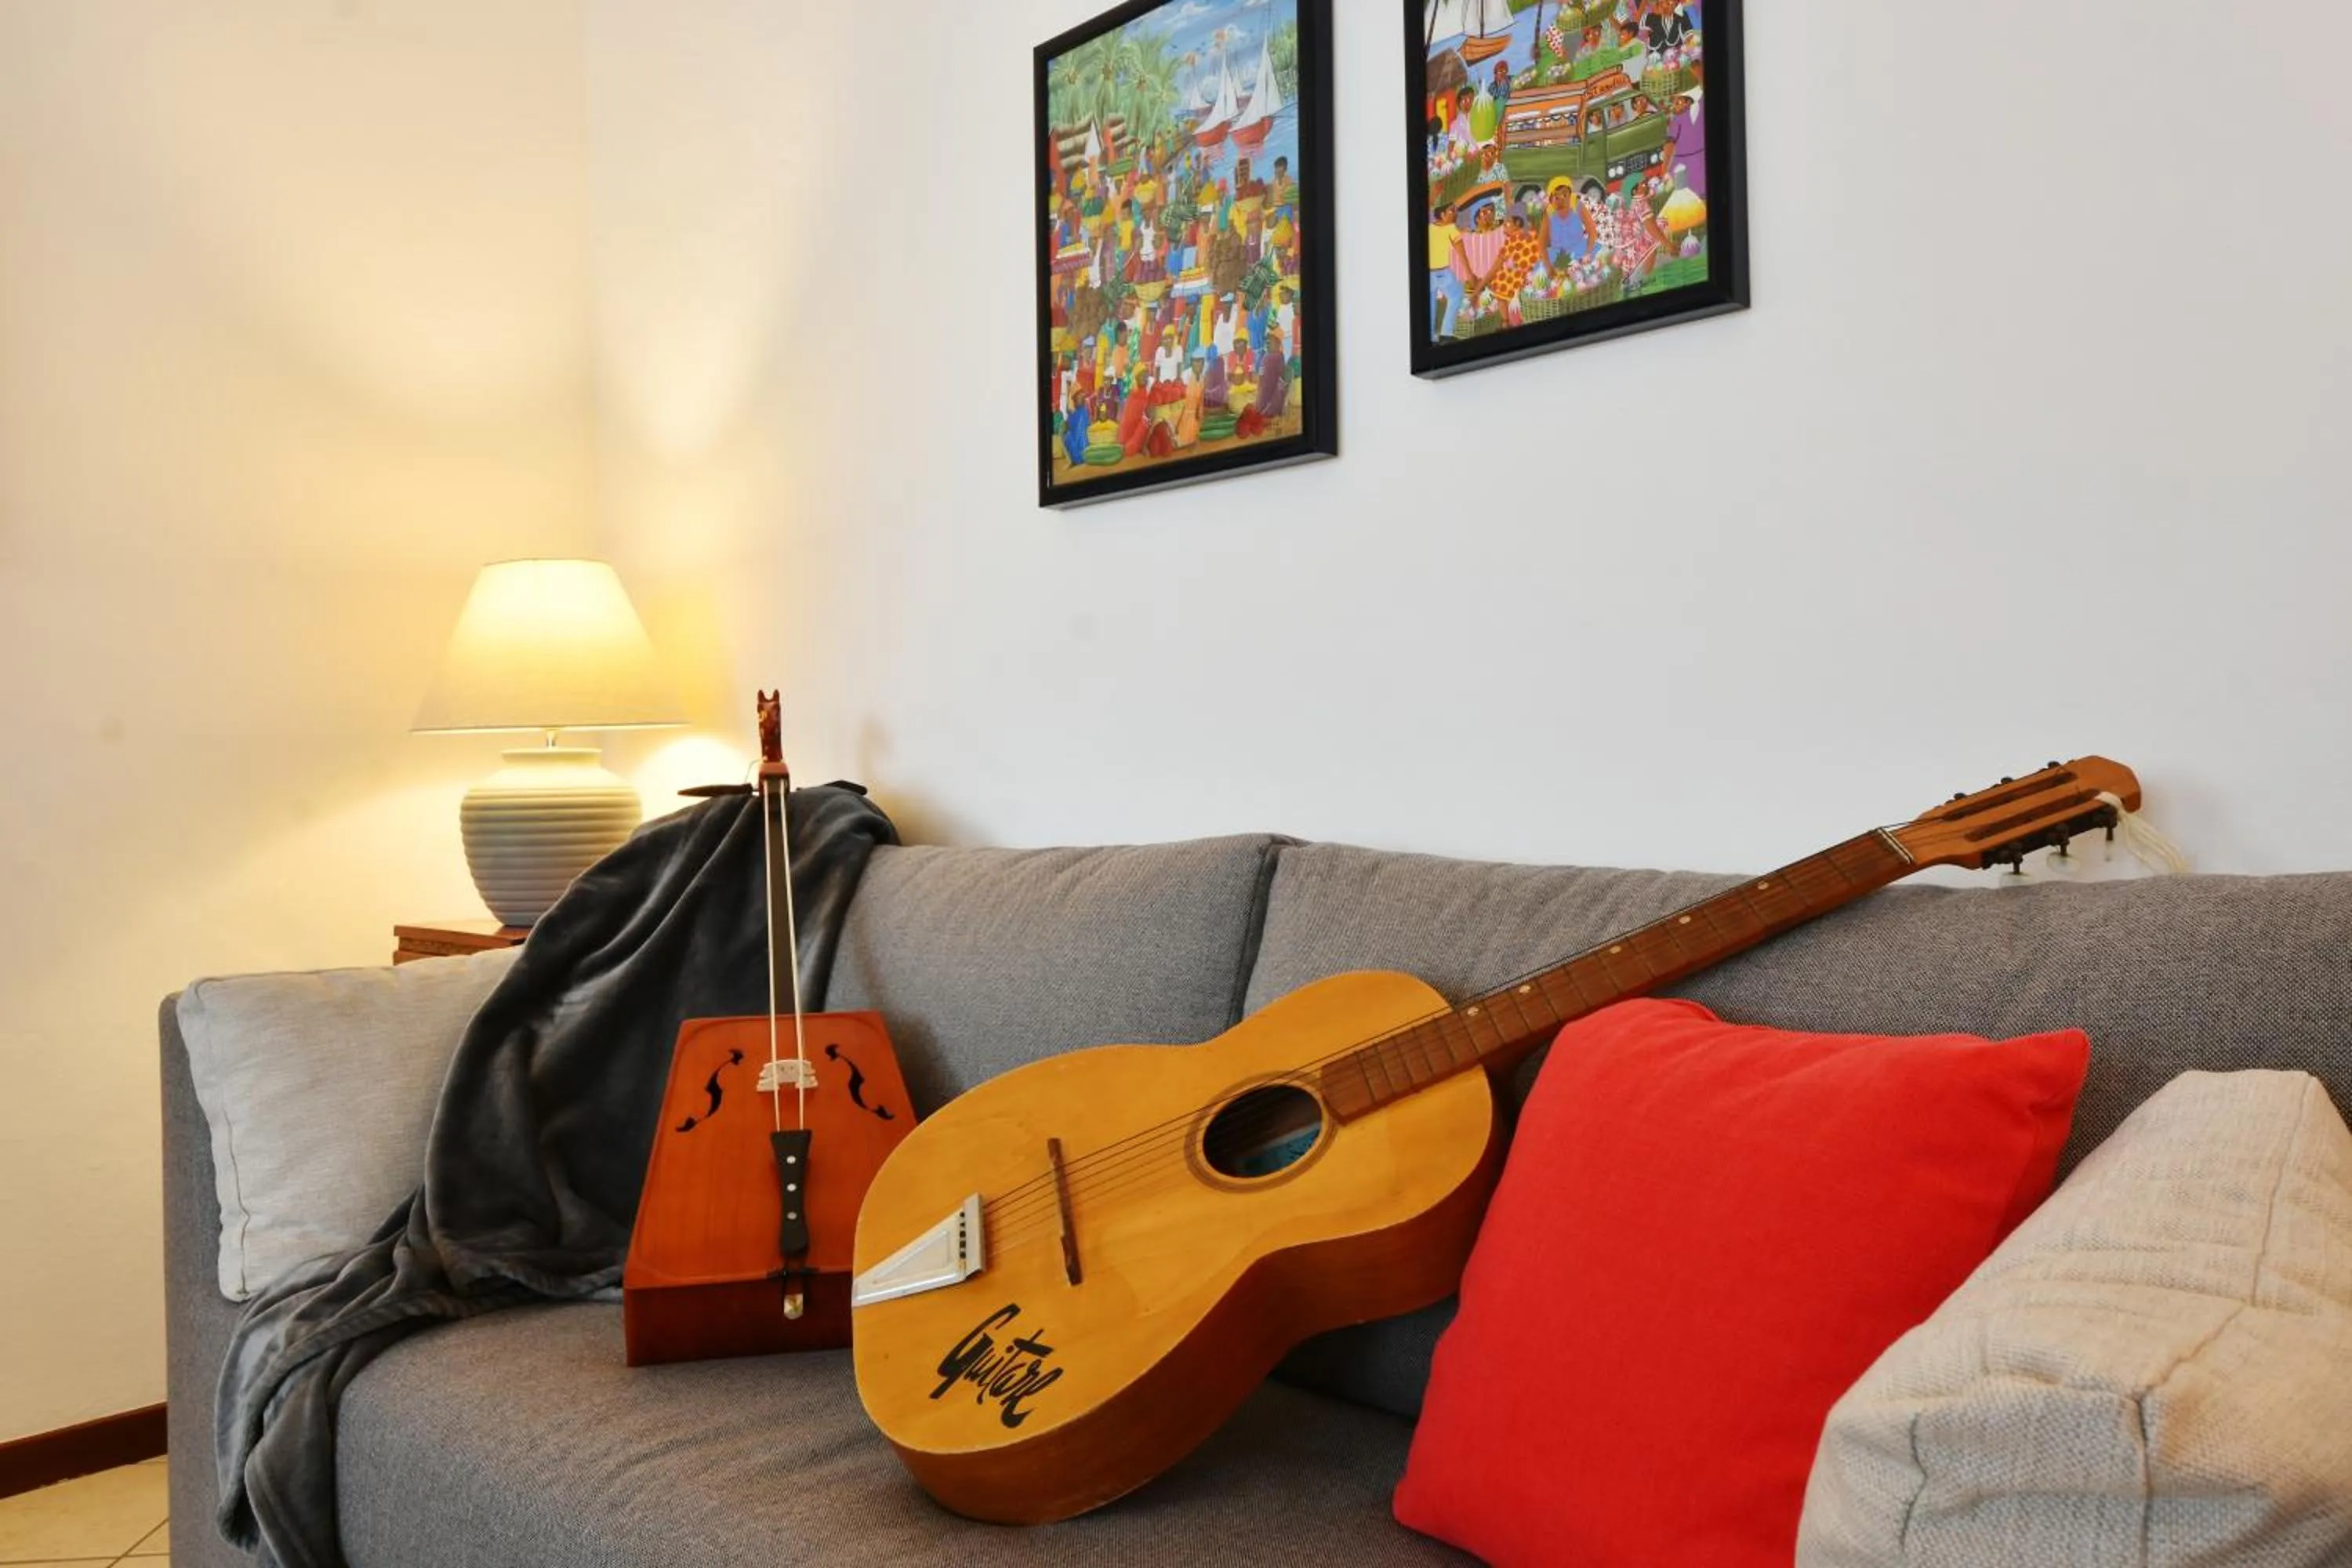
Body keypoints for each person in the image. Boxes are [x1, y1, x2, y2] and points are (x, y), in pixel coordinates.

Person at [1544, 178, 1591, 268]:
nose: (1561, 199)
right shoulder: (1549, 213)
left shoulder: (1577, 206)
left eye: (1565, 195)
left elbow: (1592, 231)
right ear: (1551, 199)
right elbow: (1544, 241)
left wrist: (1587, 253)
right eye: (1557, 196)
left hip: (1580, 250)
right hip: (1558, 255)